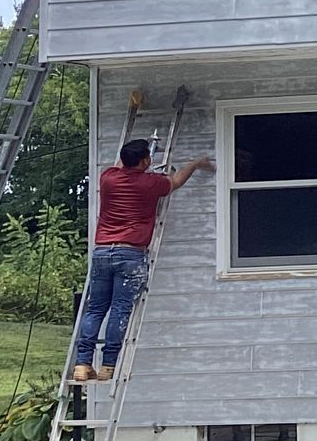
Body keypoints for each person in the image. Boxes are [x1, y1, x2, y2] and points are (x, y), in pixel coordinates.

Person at [71, 139, 212, 382]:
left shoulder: (108, 178)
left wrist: (145, 149)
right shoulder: (150, 183)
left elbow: (120, 165)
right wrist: (196, 164)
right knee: (120, 309)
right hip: (130, 253)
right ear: (145, 161)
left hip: (103, 252)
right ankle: (108, 365)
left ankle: (82, 364)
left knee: (95, 310)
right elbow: (176, 181)